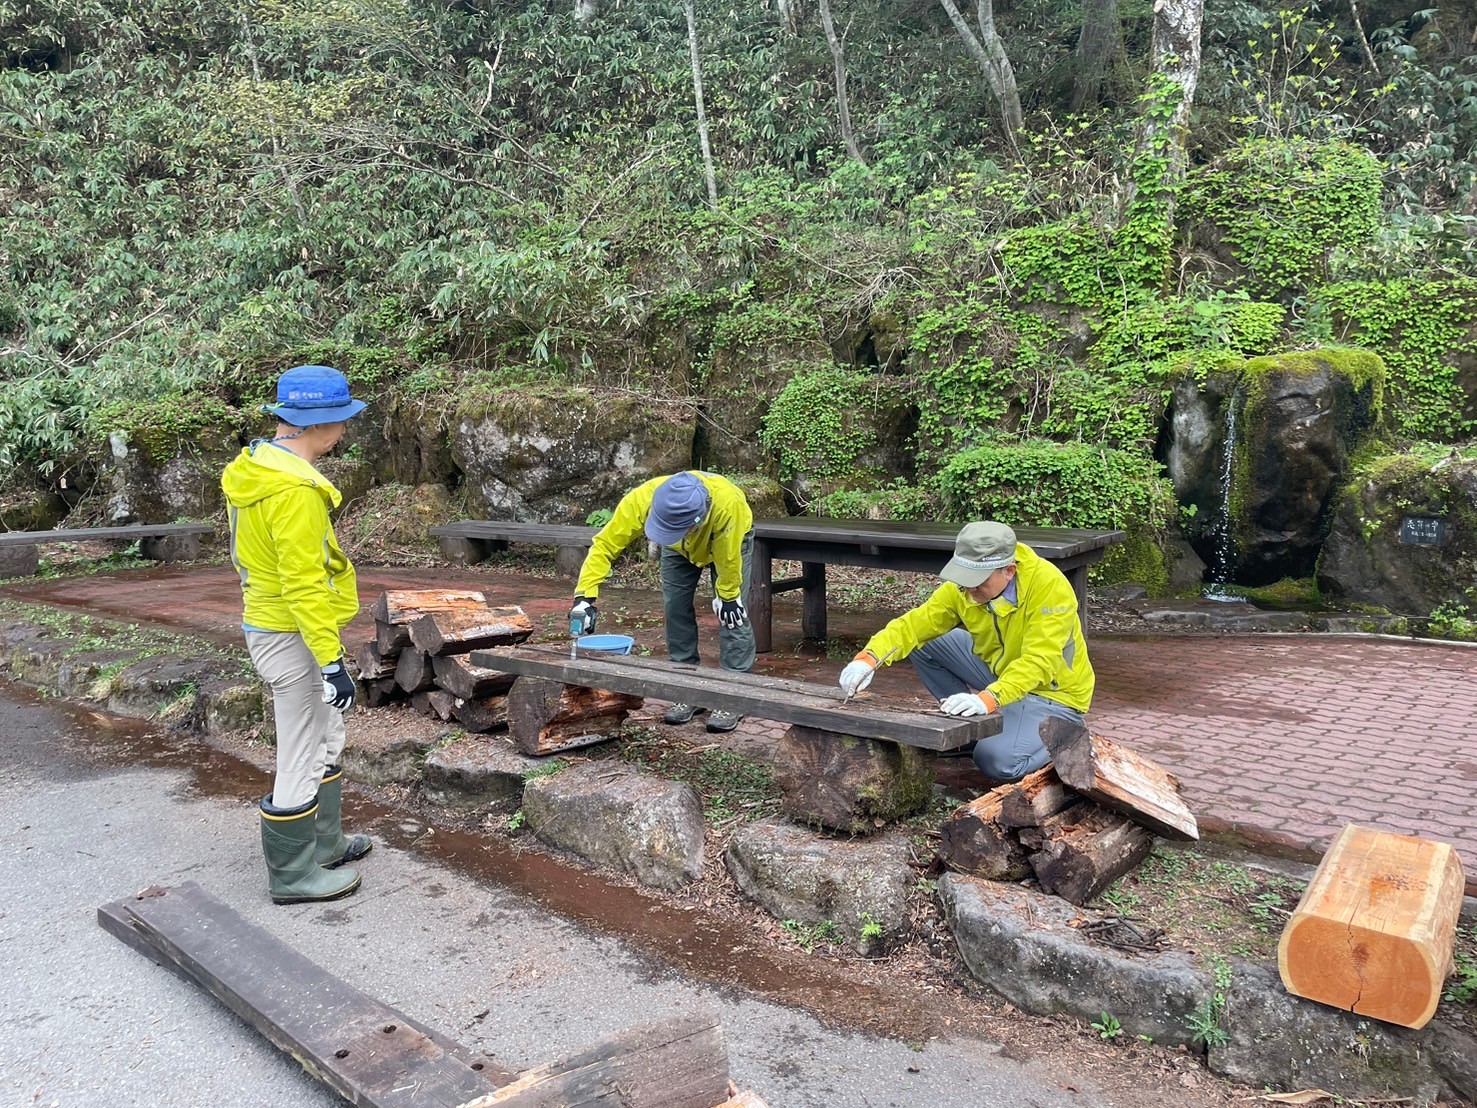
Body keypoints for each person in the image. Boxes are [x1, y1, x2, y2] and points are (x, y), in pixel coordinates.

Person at [221, 365, 373, 905]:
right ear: (319, 424)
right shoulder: (294, 491)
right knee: (301, 750)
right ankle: (292, 875)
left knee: (327, 734)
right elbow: (303, 581)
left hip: (288, 627)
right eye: (342, 421)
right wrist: (331, 661)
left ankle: (324, 844)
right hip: (291, 632)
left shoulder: (257, 466)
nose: (345, 431)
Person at [838, 521, 1093, 782]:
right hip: (999, 672)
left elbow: (1040, 661)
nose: (969, 590)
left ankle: (1067, 736)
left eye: (977, 581)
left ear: (1009, 571)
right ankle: (966, 729)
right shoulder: (965, 586)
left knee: (996, 762)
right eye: (964, 579)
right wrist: (869, 659)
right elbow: (915, 624)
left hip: (1051, 693)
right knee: (926, 643)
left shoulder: (1050, 587)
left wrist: (987, 699)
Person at [570, 471, 755, 733]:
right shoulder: (642, 499)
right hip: (678, 546)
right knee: (675, 608)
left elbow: (728, 560)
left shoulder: (728, 505)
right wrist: (584, 597)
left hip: (730, 538)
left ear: (698, 519)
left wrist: (727, 595)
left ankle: (734, 693)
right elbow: (605, 544)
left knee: (732, 614)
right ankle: (685, 686)